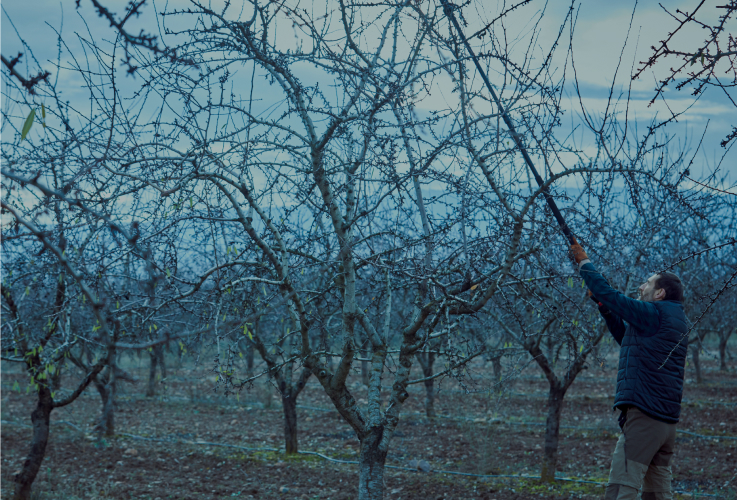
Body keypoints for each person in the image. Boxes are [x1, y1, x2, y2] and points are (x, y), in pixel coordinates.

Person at [569, 239, 688, 500]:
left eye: (648, 283)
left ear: (660, 294)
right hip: (665, 425)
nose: (641, 286)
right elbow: (629, 342)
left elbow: (613, 296)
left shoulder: (654, 313)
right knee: (657, 495)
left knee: (620, 491)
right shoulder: (675, 320)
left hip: (645, 420)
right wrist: (607, 311)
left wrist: (584, 264)